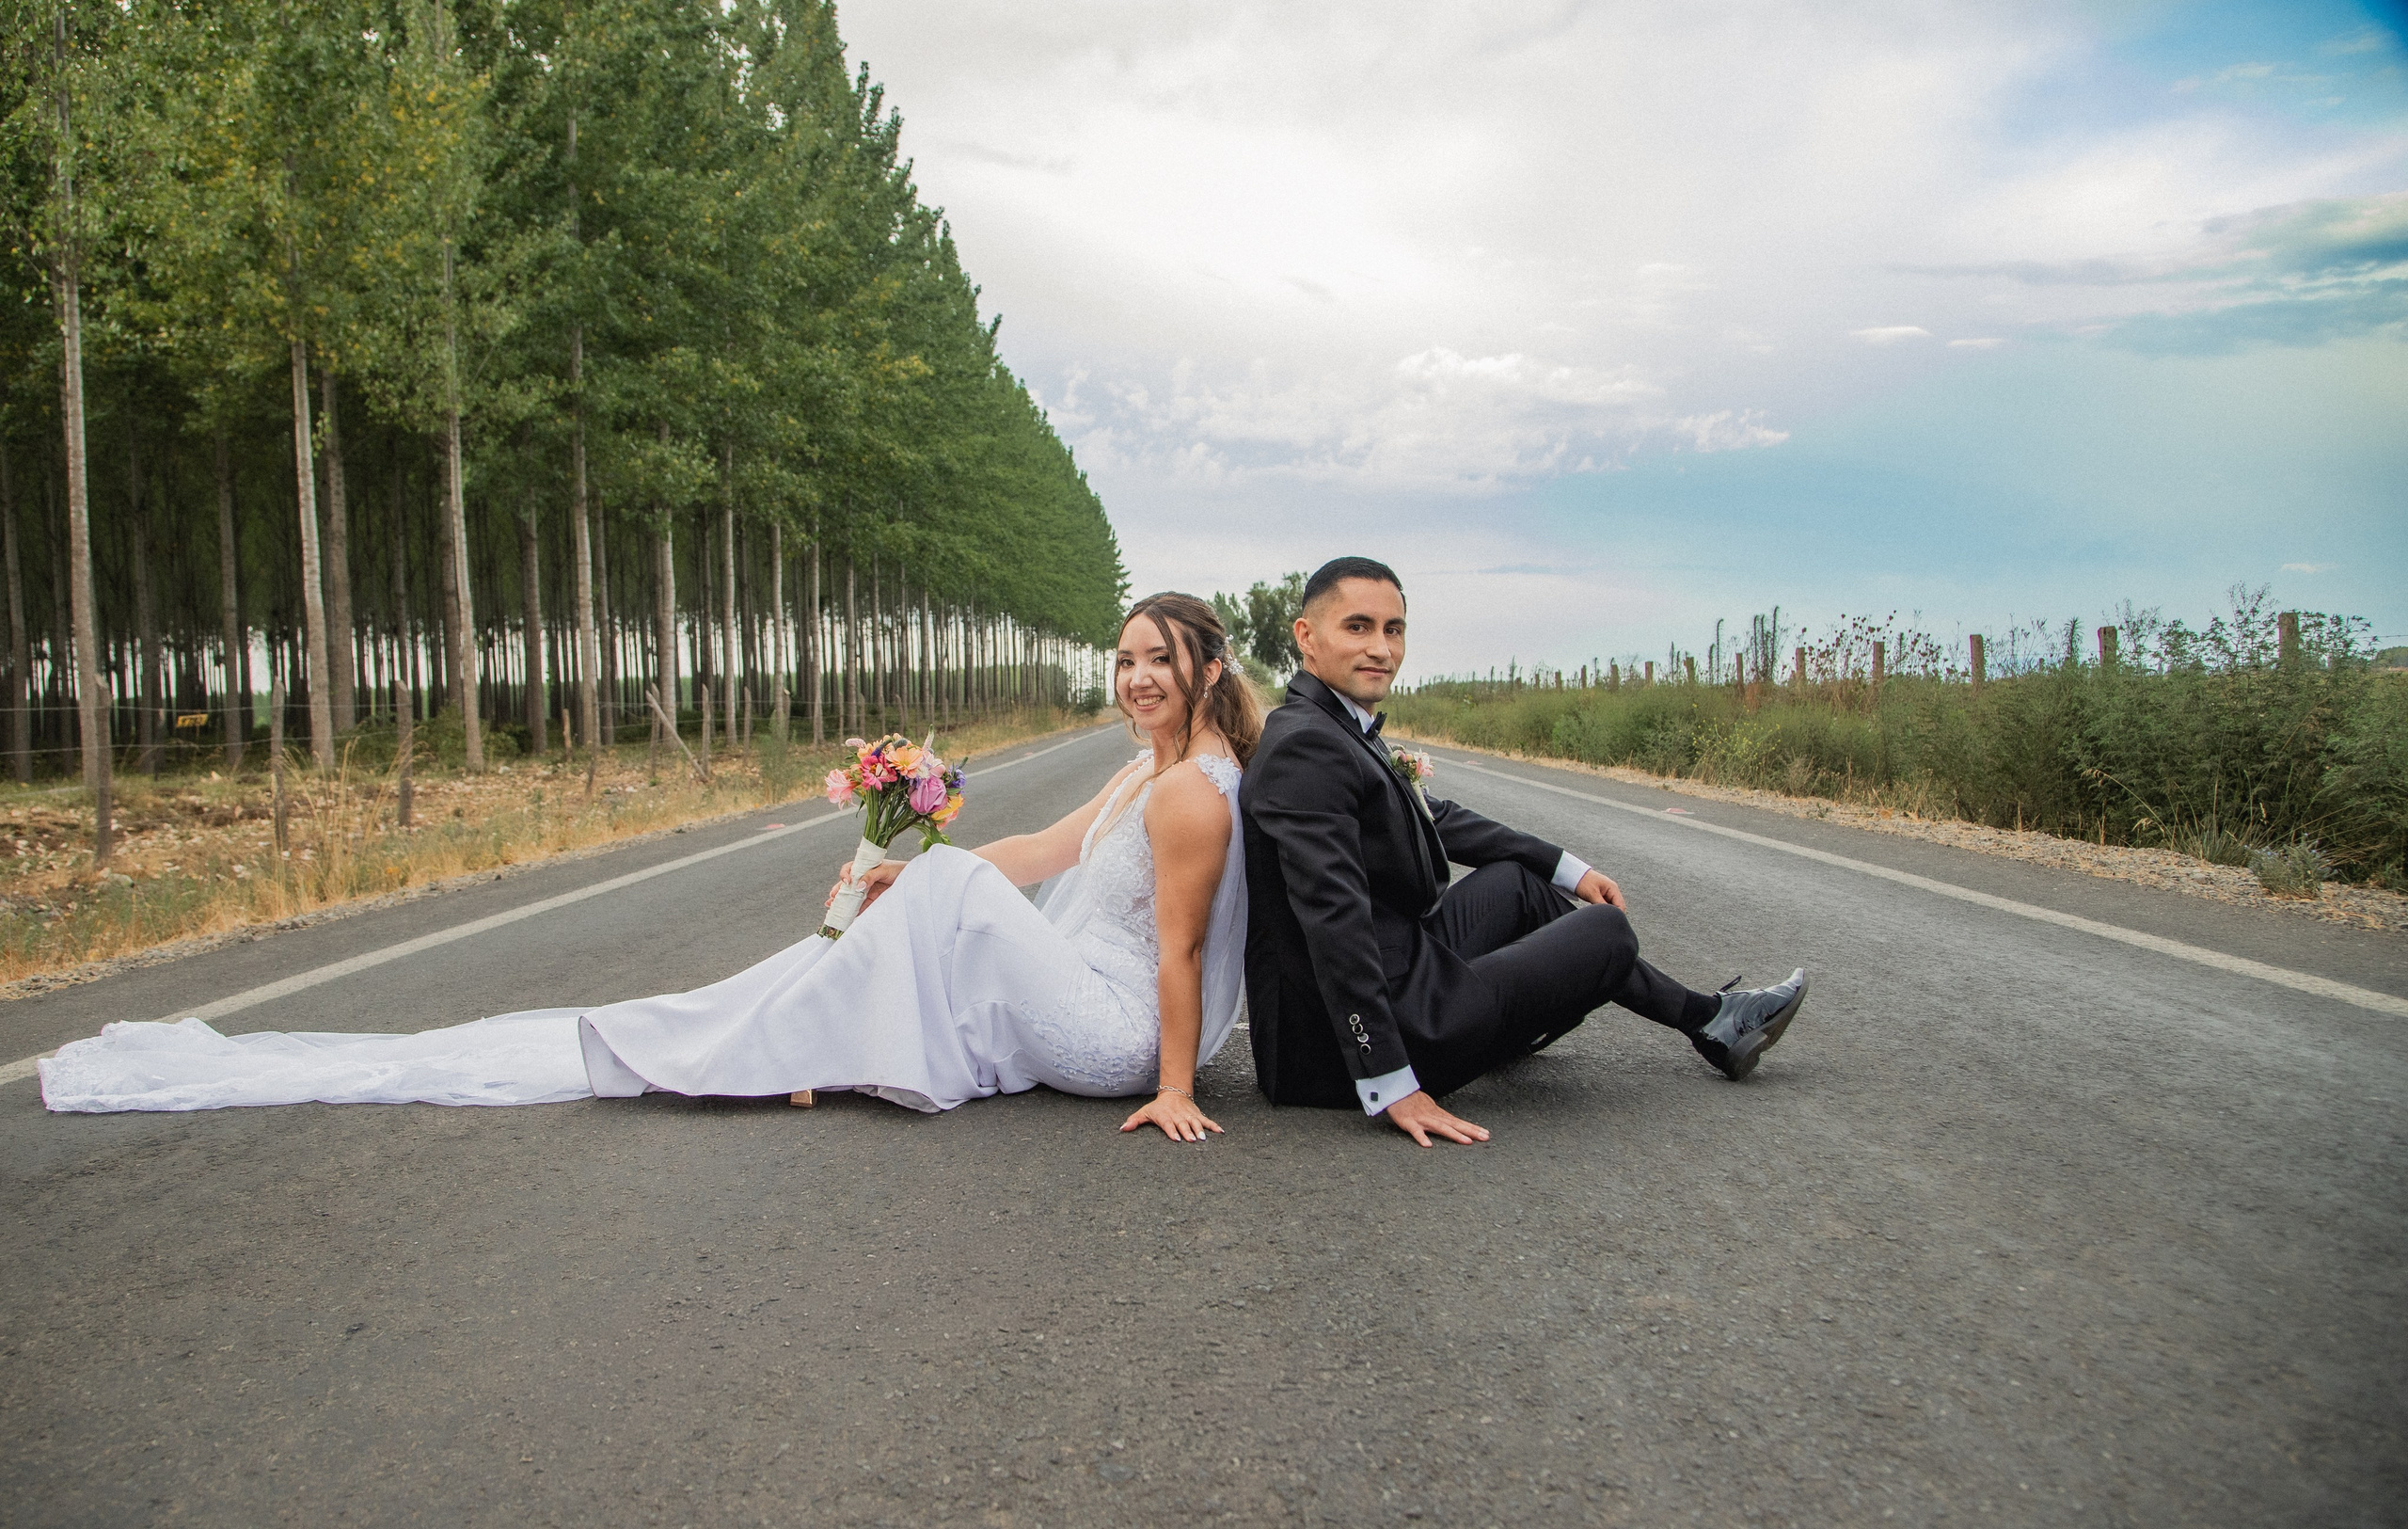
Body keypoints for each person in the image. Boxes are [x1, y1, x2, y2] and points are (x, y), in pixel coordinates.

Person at [41, 596, 1259, 1143]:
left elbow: (1183, 951)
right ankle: (812, 1029)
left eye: (1158, 660)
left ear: (1207, 666)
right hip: (1086, 1002)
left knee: (946, 888)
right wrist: (912, 873)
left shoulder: (1196, 793)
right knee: (942, 880)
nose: (1134, 677)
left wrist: (1172, 1088)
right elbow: (1038, 853)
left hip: (1112, 1042)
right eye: (1123, 658)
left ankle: (826, 1042)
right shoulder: (1140, 767)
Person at [1239, 556, 1809, 1147]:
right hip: (1342, 1051)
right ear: (1307, 636)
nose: (1380, 648)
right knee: (1606, 936)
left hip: (1403, 963)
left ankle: (1710, 1020)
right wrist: (1389, 1082)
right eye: (1358, 627)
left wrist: (1570, 868)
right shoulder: (1305, 748)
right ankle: (1692, 1020)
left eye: (1394, 629)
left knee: (1519, 882)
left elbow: (1436, 818)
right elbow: (1332, 918)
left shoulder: (1330, 725)